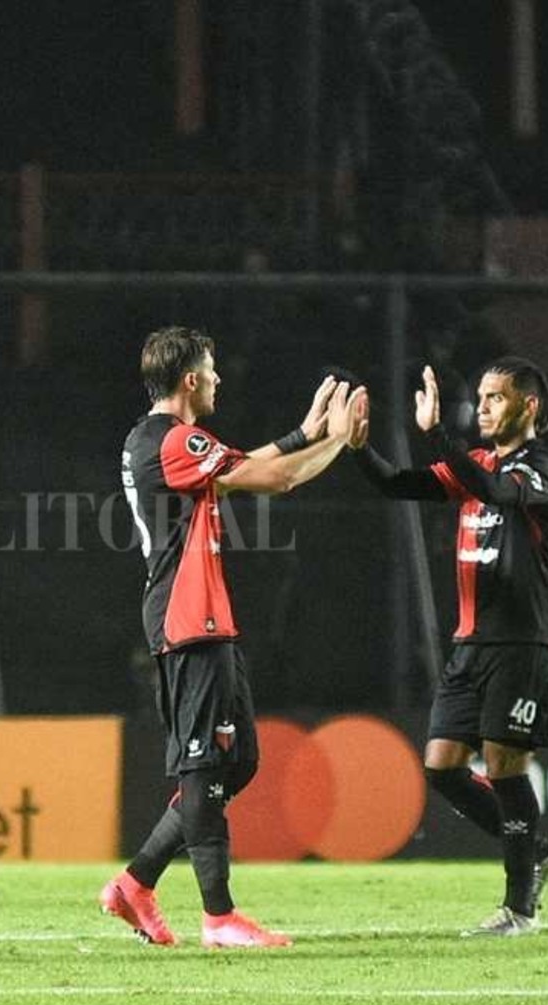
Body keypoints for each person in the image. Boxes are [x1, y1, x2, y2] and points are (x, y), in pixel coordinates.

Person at [103, 326, 367, 948]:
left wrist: (310, 436)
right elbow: (275, 480)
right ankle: (218, 917)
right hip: (186, 615)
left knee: (236, 761)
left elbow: (246, 469)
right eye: (212, 370)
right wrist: (333, 441)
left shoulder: (168, 443)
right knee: (203, 766)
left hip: (205, 614)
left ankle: (136, 885)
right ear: (190, 380)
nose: (220, 379)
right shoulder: (169, 440)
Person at [353, 358, 548, 937]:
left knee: (504, 767)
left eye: (495, 397)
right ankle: (541, 853)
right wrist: (357, 450)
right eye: (479, 396)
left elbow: (497, 491)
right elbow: (401, 484)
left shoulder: (542, 469)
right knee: (443, 768)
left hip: (526, 642)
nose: (481, 406)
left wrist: (436, 435)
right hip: (470, 644)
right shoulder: (474, 462)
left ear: (527, 406)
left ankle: (520, 909)